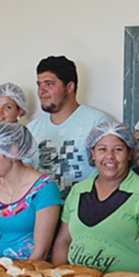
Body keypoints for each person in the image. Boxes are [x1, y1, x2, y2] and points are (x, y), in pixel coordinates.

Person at [52, 122, 139, 277]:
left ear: (130, 153)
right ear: (92, 153)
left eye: (118, 149)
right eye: (102, 149)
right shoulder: (78, 191)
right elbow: (64, 240)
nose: (110, 156)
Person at [27, 55, 111, 197]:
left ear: (70, 87)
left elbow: (113, 173)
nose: (41, 91)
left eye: (49, 84)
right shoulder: (31, 129)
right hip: (44, 213)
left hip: (85, 212)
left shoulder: (98, 123)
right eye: (39, 84)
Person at [0, 123, 62, 260]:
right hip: (1, 271)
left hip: (33, 273)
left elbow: (41, 252)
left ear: (13, 151)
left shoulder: (45, 189)